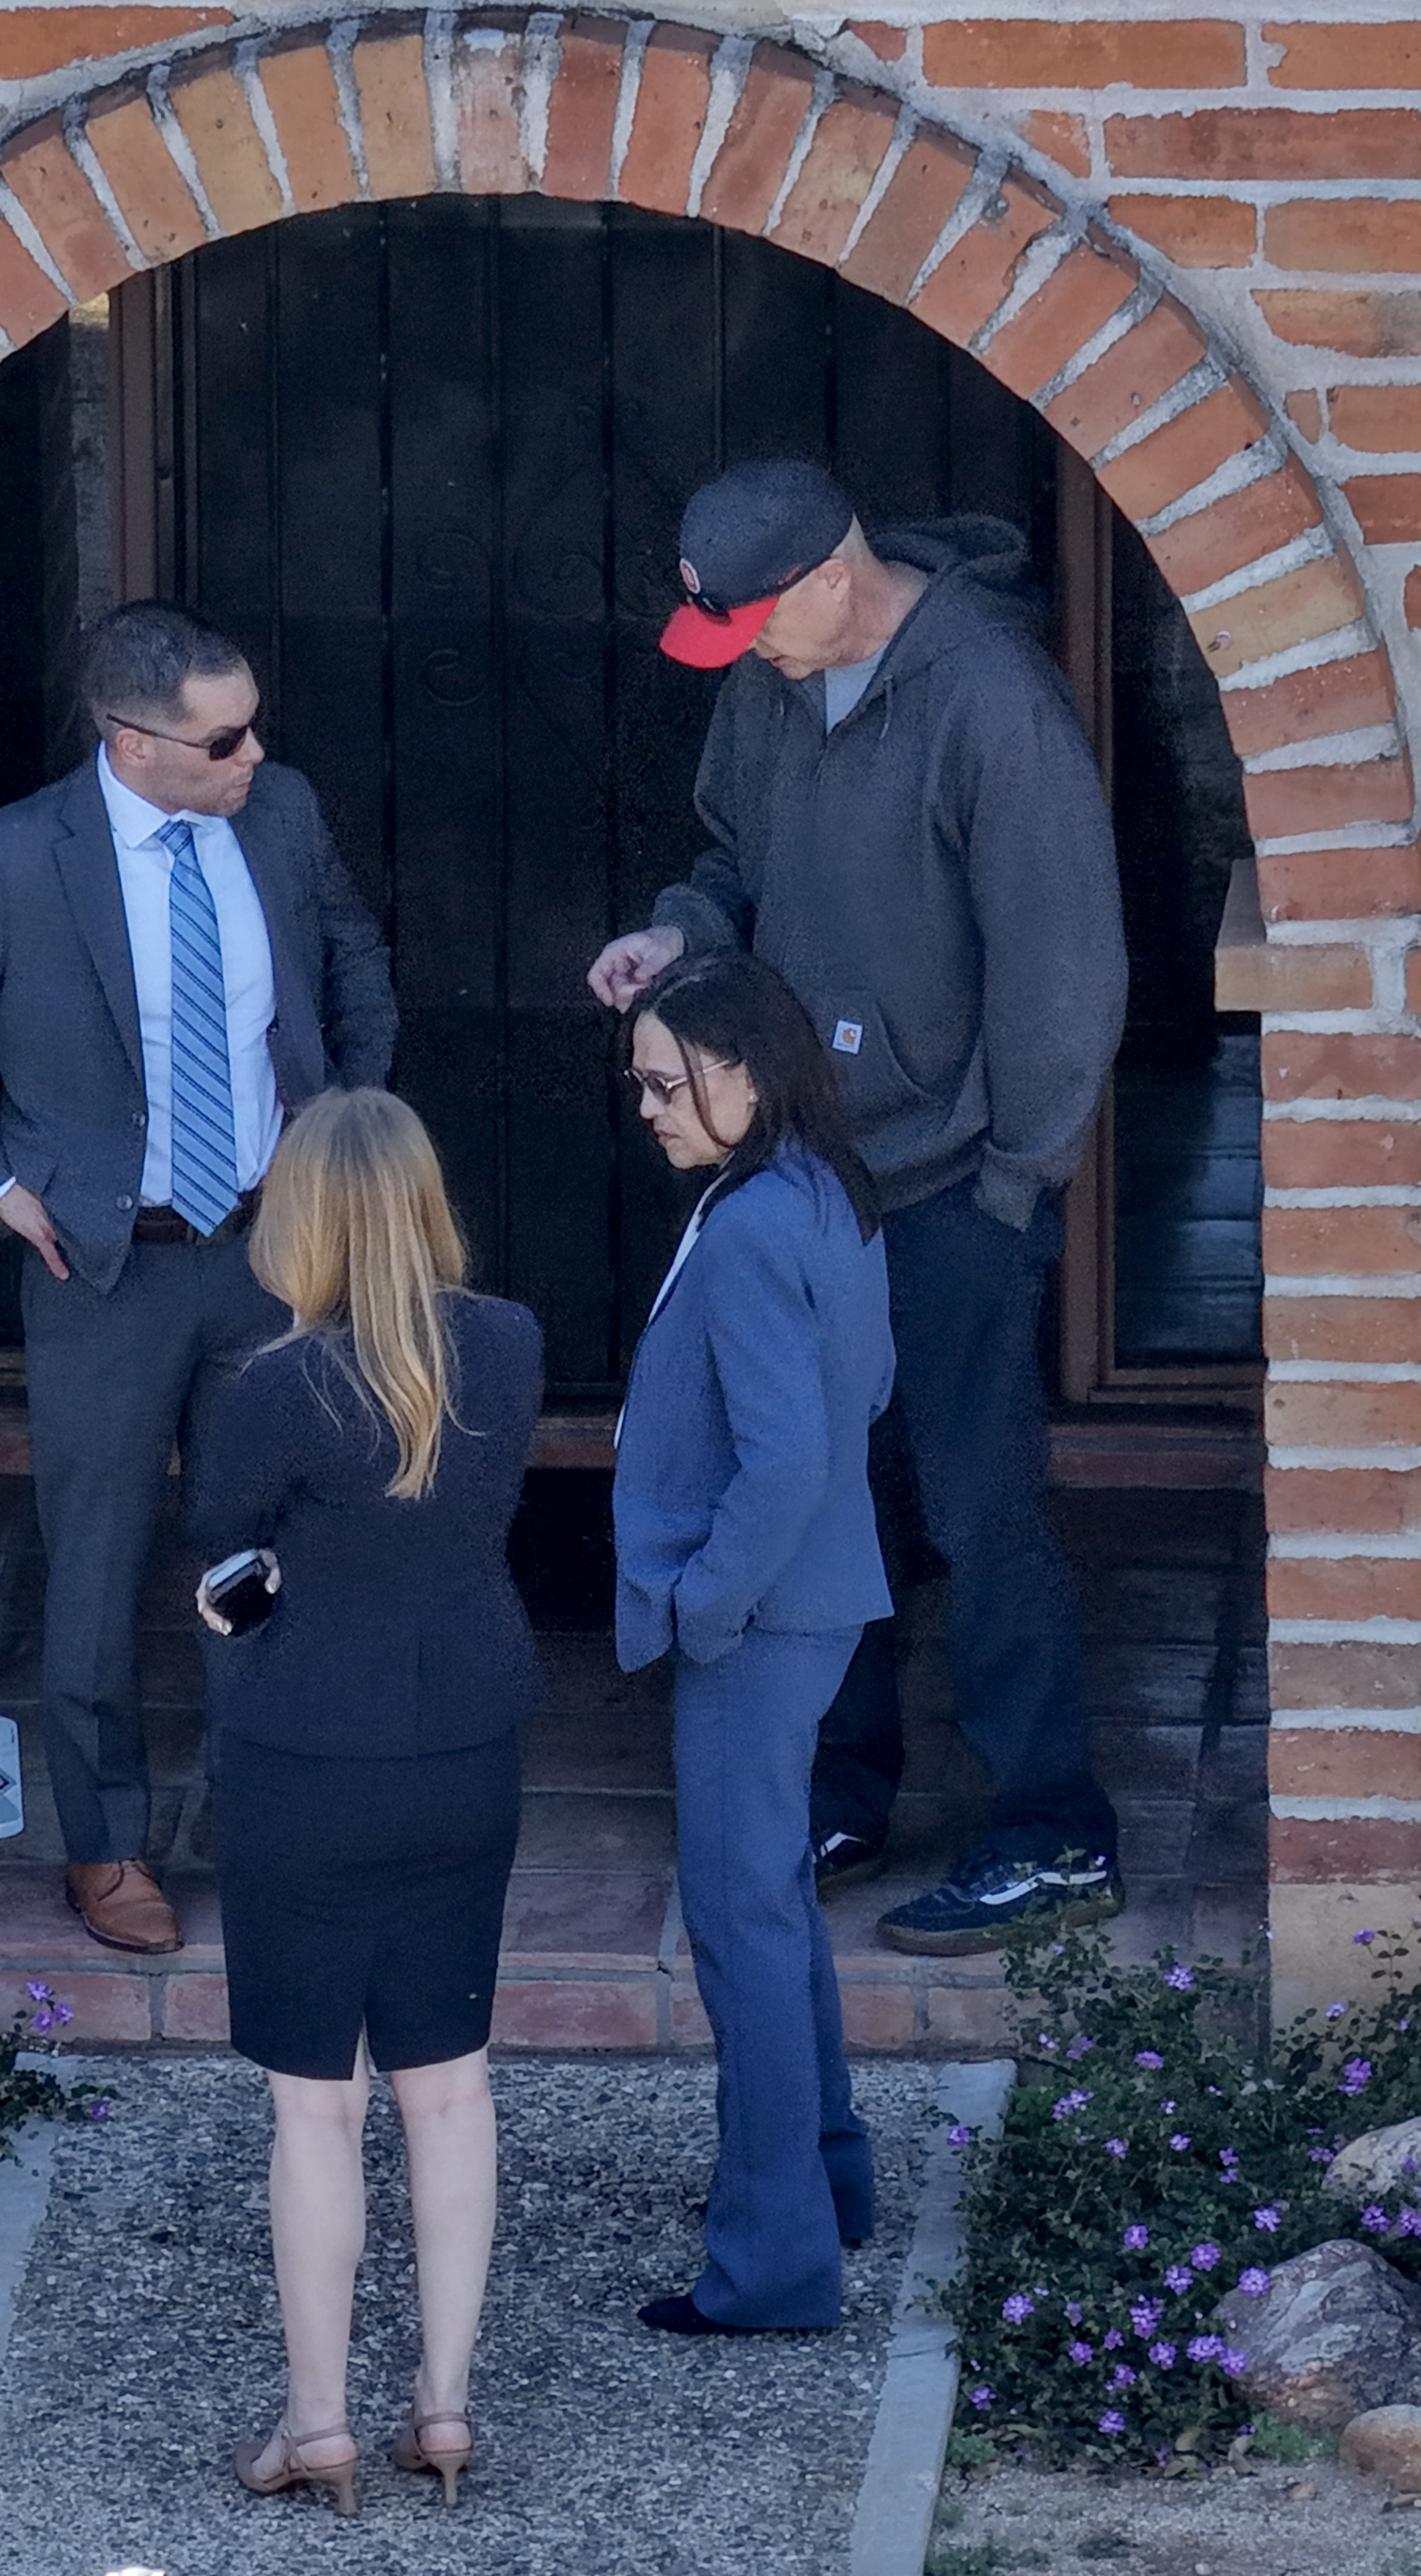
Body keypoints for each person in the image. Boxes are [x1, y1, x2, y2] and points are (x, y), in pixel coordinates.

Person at [587, 456, 1130, 1959]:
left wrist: (1022, 1182)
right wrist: (675, 938)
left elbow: (1067, 973)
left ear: (836, 573)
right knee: (833, 1487)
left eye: (759, 621)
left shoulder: (991, 705)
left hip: (958, 1180)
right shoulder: (773, 677)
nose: (745, 652)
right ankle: (845, 1792)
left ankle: (1053, 1827)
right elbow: (731, 866)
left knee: (977, 1506)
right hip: (808, 1171)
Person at [0, 601, 395, 1956]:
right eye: (225, 737)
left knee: (270, 1547)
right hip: (108, 1265)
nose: (256, 752)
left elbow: (354, 960)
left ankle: (278, 1821)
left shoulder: (282, 812)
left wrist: (348, 1126)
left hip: (275, 1243)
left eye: (256, 723)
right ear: (133, 744)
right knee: (93, 1565)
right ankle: (106, 1846)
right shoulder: (22, 858)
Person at [182, 1089, 543, 2515]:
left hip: (303, 1762)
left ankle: (319, 2423)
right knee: (449, 2093)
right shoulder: (508, 1348)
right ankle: (443, 2409)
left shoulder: (272, 1385)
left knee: (315, 2113)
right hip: (466, 1746)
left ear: (300, 1218)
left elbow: (224, 1542)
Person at [612, 951, 894, 2335]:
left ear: (747, 1071)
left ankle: (774, 2266)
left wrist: (706, 1603)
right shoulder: (827, 1194)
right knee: (774, 1903)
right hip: (825, 1598)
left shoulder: (742, 1234)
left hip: (761, 1619)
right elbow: (865, 1395)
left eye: (670, 1082)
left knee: (741, 1927)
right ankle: (826, 2179)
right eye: (643, 1084)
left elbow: (781, 1460)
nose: (652, 1108)